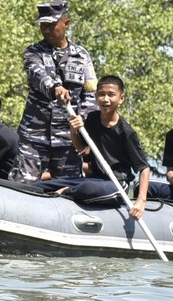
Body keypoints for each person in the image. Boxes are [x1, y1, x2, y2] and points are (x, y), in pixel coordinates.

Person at [33, 76, 150, 219]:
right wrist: (73, 129)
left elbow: (144, 168)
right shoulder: (93, 118)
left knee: (87, 189)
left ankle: (66, 192)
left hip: (117, 184)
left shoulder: (126, 133)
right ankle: (58, 190)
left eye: (111, 95)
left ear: (121, 98)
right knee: (45, 184)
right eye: (101, 94)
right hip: (94, 179)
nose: (105, 99)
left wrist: (141, 201)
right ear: (96, 97)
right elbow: (81, 148)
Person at [9, 0, 98, 183]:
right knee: (22, 186)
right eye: (43, 26)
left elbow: (90, 95)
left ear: (66, 24)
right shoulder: (33, 52)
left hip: (68, 140)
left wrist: (83, 125)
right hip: (34, 136)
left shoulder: (82, 56)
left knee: (70, 189)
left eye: (51, 25)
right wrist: (55, 88)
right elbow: (37, 75)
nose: (46, 30)